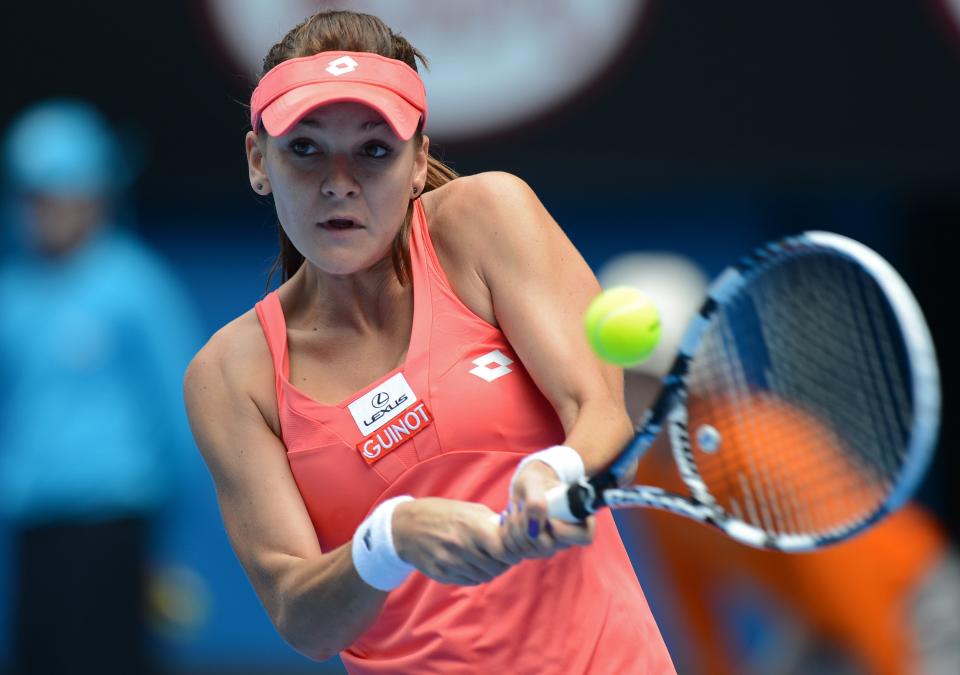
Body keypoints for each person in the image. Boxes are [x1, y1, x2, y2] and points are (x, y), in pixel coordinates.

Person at [183, 9, 675, 674]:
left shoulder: (489, 219)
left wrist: (556, 472)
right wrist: (389, 539)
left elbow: (602, 415)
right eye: (304, 147)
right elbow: (301, 617)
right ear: (257, 161)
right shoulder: (230, 374)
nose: (338, 180)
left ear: (419, 162)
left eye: (374, 149)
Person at [0, 99, 200, 674]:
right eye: (34, 196)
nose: (46, 211)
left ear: (95, 194)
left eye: (60, 192)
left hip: (114, 525)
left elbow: (183, 407)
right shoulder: (13, 292)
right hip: (34, 527)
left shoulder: (135, 285)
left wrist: (169, 535)